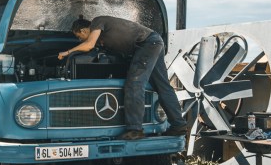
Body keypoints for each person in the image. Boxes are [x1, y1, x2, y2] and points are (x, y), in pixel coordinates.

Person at [58, 15, 187, 140]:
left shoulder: (97, 21)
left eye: (79, 37)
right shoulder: (103, 40)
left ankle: (135, 130)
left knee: (135, 83)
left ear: (83, 30)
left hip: (147, 43)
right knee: (162, 86)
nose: (81, 40)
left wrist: (67, 52)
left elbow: (89, 45)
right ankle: (179, 125)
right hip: (153, 42)